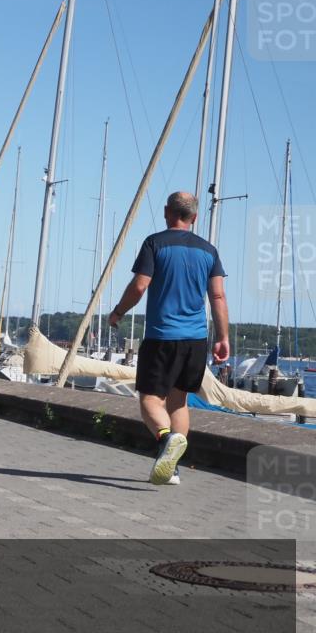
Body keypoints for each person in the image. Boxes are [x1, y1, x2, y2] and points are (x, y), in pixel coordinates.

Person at [109, 191, 229, 486]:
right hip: (196, 340)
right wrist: (223, 337)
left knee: (150, 399)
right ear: (195, 217)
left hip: (162, 337)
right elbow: (217, 295)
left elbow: (139, 286)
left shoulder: (155, 243)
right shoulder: (209, 251)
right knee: (178, 403)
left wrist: (117, 312)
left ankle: (166, 439)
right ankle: (173, 470)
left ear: (167, 212)